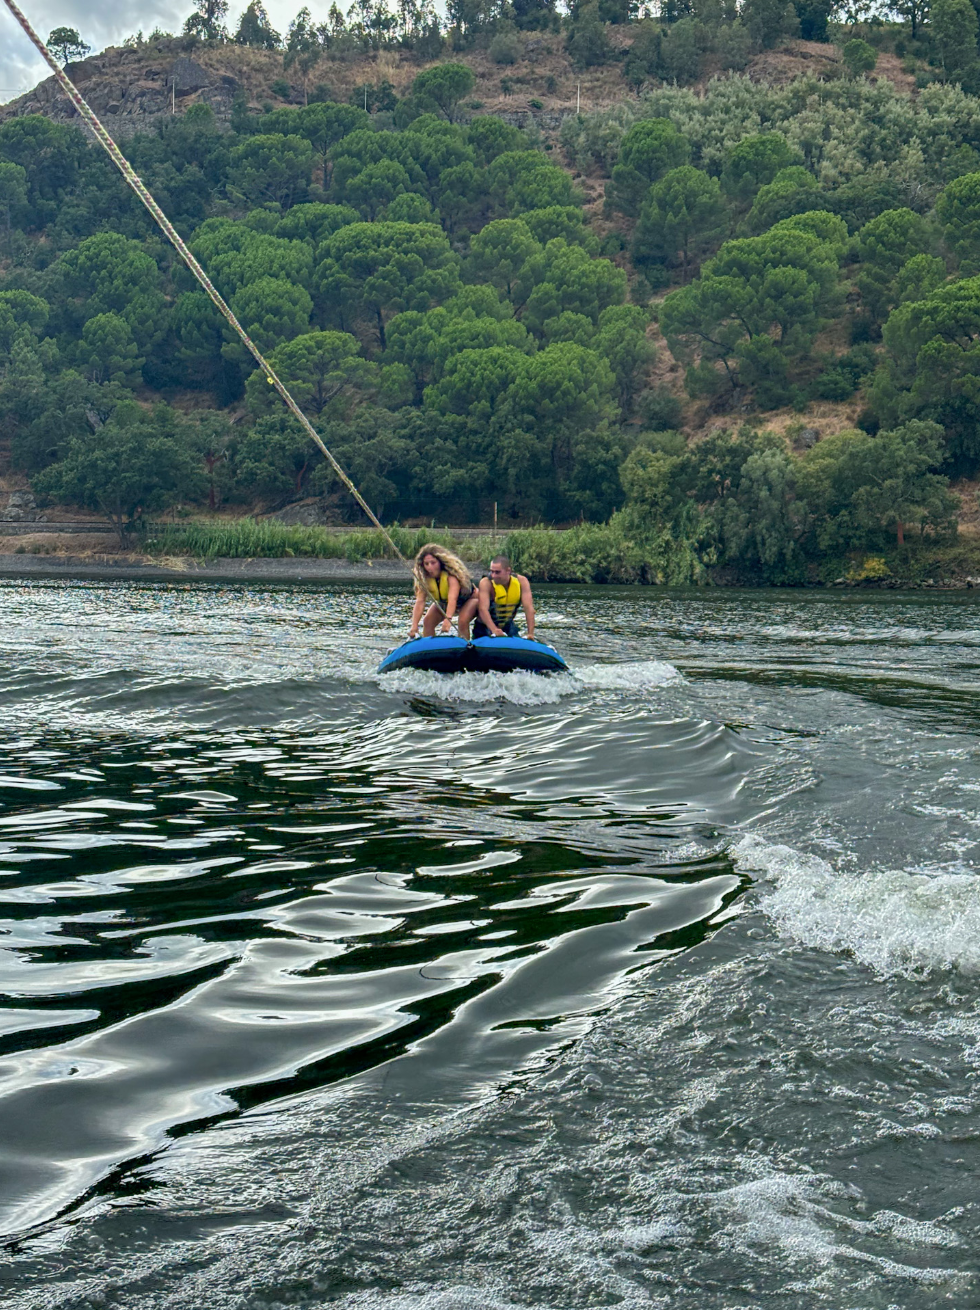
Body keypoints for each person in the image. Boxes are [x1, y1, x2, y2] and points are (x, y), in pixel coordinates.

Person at [408, 543, 479, 639]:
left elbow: (452, 599)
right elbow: (420, 601)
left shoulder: (451, 577)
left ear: (440, 562)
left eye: (433, 563)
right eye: (426, 564)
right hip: (444, 602)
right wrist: (414, 625)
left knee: (462, 621)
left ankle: (465, 645)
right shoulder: (424, 580)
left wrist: (447, 620)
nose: (430, 567)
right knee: (428, 621)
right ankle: (429, 648)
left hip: (469, 600)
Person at [474, 555, 536, 641]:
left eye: (497, 572)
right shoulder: (486, 583)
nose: (493, 575)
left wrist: (530, 633)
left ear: (508, 571)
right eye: (492, 571)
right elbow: (483, 609)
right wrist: (494, 630)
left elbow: (529, 608)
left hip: (508, 627)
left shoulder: (522, 581)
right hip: (484, 629)